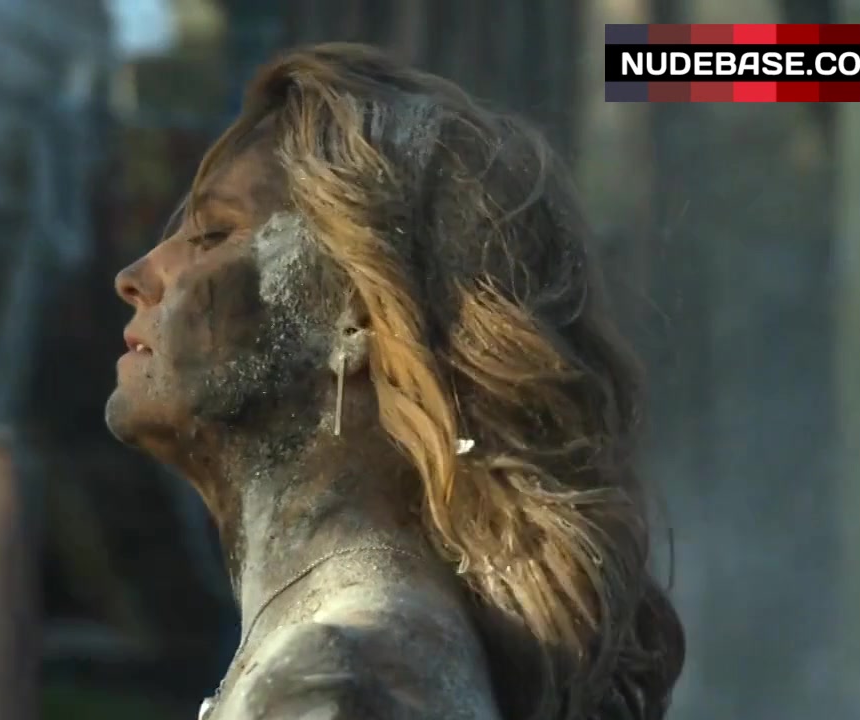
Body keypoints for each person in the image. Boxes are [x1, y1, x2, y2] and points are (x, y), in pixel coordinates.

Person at [104, 42, 684, 720]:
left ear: (351, 314)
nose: (135, 277)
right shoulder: (351, 660)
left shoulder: (338, 685)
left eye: (212, 235)